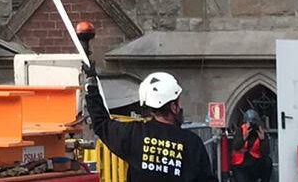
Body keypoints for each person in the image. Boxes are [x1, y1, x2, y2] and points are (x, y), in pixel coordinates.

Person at [83, 68, 217, 182]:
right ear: (173, 106)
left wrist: (92, 88)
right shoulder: (192, 143)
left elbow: (101, 123)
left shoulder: (134, 134)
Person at [228, 108, 273, 182]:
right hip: (240, 164)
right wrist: (244, 137)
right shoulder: (240, 131)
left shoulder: (260, 132)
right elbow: (236, 146)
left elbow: (266, 152)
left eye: (254, 122)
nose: (251, 125)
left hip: (254, 163)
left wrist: (262, 139)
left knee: (268, 162)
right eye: (249, 123)